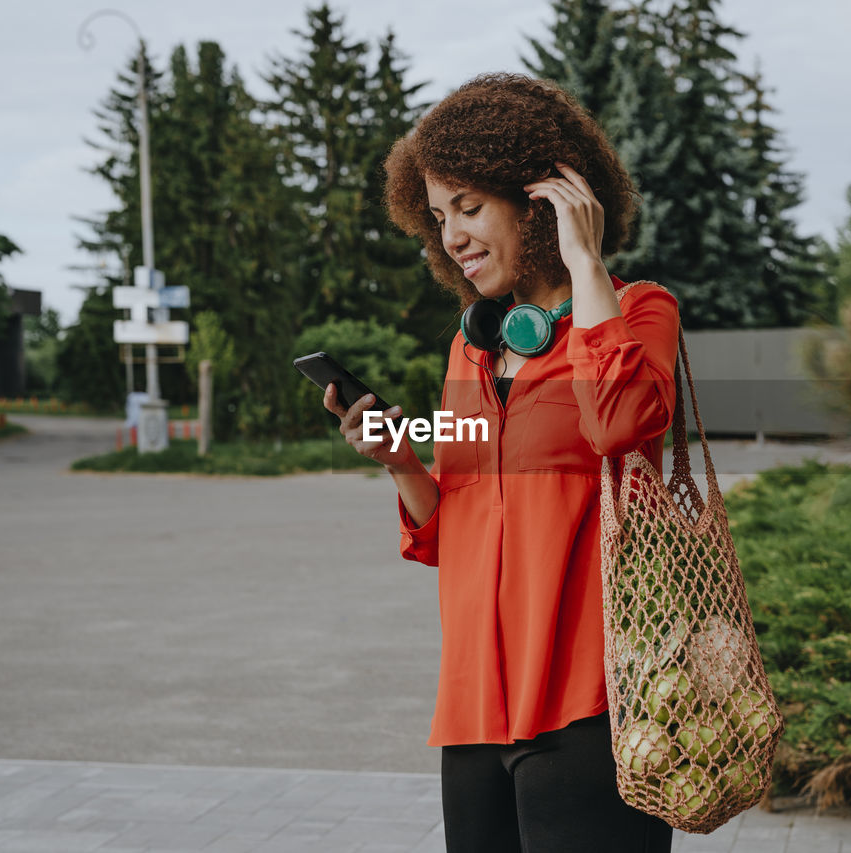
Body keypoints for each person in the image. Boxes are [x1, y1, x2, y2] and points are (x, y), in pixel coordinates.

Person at [324, 73, 679, 852]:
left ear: (539, 202)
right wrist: (401, 463)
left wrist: (585, 265)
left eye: (471, 206)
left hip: (591, 702)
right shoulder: (472, 343)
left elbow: (619, 422)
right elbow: (456, 534)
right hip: (476, 708)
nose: (450, 235)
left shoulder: (639, 311)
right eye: (439, 214)